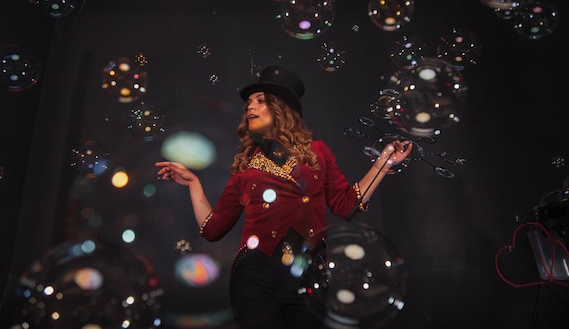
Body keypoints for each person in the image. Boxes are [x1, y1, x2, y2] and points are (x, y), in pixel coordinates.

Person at [156, 66, 412, 329]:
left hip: (308, 273)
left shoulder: (317, 152)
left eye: (260, 100)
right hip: (254, 277)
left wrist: (383, 163)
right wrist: (193, 183)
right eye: (248, 103)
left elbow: (346, 205)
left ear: (281, 109)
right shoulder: (245, 167)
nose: (249, 107)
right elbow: (212, 229)